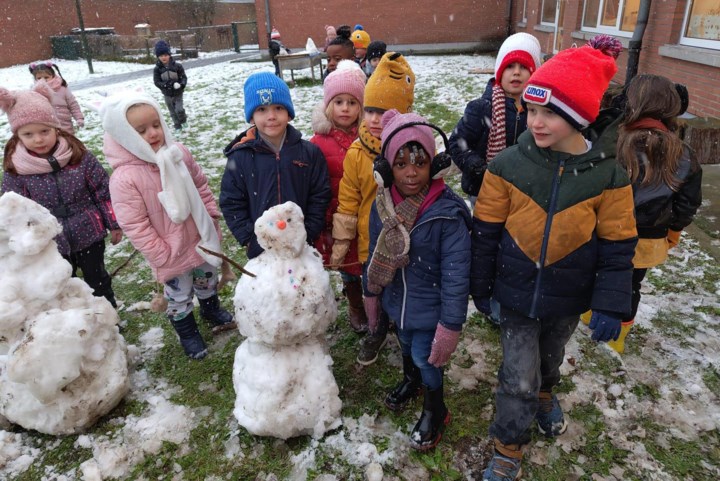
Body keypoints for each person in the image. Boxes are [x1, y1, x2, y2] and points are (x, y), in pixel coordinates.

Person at [471, 36, 637, 480]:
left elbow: (619, 246)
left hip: (569, 295)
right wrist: (480, 286)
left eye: (551, 113)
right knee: (518, 375)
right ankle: (508, 446)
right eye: (532, 110)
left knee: (549, 358)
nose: (537, 122)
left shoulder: (609, 177)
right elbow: (485, 232)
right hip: (515, 292)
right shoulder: (507, 166)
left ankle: (547, 392)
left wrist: (610, 303)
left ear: (578, 117)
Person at [102, 92, 235, 360]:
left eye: (155, 124)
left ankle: (210, 308)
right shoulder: (125, 179)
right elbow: (134, 224)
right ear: (125, 136)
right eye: (141, 131)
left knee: (206, 279)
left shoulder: (178, 154)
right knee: (179, 296)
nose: (153, 133)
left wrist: (209, 211)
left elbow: (200, 184)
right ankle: (188, 332)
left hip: (200, 236)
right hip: (169, 251)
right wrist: (160, 253)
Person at [366, 110, 470, 450]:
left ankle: (435, 408)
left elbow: (457, 276)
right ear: (386, 169)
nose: (411, 172)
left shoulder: (447, 213)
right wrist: (372, 293)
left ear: (435, 165)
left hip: (432, 308)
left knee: (427, 357)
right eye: (400, 164)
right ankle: (412, 381)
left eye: (420, 162)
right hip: (399, 303)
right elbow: (373, 250)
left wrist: (451, 325)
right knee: (408, 348)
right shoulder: (382, 205)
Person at [0, 84, 121, 308]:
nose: (38, 139)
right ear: (17, 135)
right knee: (62, 285)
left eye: (44, 131)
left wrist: (113, 222)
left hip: (89, 232)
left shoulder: (79, 156)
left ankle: (109, 317)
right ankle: (74, 325)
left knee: (98, 279)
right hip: (49, 241)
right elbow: (13, 212)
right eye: (28, 134)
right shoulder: (16, 169)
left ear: (56, 128)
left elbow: (102, 191)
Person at [330, 52, 415, 365]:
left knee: (403, 288)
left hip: (407, 239)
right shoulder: (356, 153)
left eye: (386, 112)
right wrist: (342, 244)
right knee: (372, 289)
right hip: (370, 241)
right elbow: (348, 200)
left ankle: (403, 324)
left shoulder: (412, 148)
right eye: (371, 110)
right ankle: (376, 328)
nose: (377, 119)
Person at [609, 74, 702, 353]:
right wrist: (674, 229)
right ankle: (619, 337)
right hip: (649, 238)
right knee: (633, 285)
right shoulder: (683, 152)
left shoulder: (615, 141)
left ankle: (594, 313)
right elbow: (688, 201)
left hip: (608, 230)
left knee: (603, 275)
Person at [220, 72, 331, 262]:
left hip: (301, 247)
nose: (271, 116)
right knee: (270, 291)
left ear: (288, 113)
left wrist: (307, 232)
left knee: (304, 289)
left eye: (278, 108)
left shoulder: (309, 153)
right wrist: (251, 239)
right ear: (252, 116)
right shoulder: (240, 158)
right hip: (262, 250)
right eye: (262, 109)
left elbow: (319, 195)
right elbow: (231, 202)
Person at [448, 32, 542, 207]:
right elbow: (456, 143)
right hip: (484, 189)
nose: (516, 72)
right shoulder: (482, 108)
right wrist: (474, 165)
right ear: (500, 71)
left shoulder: (538, 111)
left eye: (523, 67)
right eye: (509, 66)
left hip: (526, 191)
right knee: (486, 231)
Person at [310, 60, 368, 333]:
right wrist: (323, 218)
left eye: (352, 103)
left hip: (366, 214)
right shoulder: (317, 144)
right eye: (339, 102)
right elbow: (314, 184)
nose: (345, 108)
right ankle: (355, 305)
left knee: (368, 261)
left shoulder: (370, 139)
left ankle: (374, 305)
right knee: (346, 264)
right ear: (328, 106)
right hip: (335, 217)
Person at [28, 61, 84, 134]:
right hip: (46, 126)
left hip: (65, 125)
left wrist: (79, 118)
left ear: (53, 75)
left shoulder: (62, 89)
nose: (43, 80)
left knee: (68, 143)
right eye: (39, 78)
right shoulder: (34, 91)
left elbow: (73, 104)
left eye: (46, 77)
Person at [152, 40, 187, 133]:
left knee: (179, 109)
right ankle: (177, 126)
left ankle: (183, 120)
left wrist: (181, 85)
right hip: (167, 94)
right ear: (158, 57)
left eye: (166, 55)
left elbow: (183, 77)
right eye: (161, 56)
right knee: (172, 111)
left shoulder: (177, 66)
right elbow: (156, 82)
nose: (164, 57)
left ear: (169, 55)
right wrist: (165, 85)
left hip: (178, 93)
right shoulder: (157, 69)